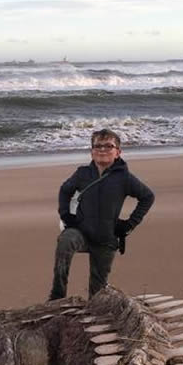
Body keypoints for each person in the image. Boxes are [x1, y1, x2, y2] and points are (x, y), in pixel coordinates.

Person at [48, 128, 155, 300]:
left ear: (118, 152)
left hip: (106, 239)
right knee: (65, 240)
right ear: (91, 152)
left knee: (97, 295)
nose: (102, 149)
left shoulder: (125, 178)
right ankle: (57, 296)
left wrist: (129, 225)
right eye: (97, 146)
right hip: (80, 232)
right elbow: (64, 190)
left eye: (108, 146)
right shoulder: (82, 173)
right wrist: (65, 215)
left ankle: (93, 309)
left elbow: (147, 196)